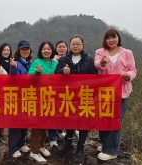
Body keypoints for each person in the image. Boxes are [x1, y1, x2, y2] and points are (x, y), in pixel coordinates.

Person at [94, 28, 137, 161]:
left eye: (114, 37)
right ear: (105, 40)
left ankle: (112, 150)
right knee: (103, 118)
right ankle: (105, 144)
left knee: (116, 120)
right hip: (104, 92)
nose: (111, 40)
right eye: (109, 38)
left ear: (118, 38)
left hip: (121, 91)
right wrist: (101, 64)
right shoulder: (100, 52)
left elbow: (133, 70)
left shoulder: (127, 53)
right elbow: (96, 65)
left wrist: (128, 76)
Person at [55, 35, 98, 164]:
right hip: (69, 95)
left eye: (78, 44)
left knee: (84, 121)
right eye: (73, 44)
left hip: (84, 95)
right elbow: (55, 74)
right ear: (70, 45)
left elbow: (94, 77)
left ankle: (80, 147)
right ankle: (68, 142)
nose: (75, 46)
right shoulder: (64, 59)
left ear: (82, 45)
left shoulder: (89, 59)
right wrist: (63, 71)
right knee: (69, 118)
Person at [27, 41, 58, 164]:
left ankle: (41, 146)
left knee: (45, 124)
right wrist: (37, 73)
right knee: (37, 126)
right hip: (38, 98)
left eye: (49, 49)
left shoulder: (55, 63)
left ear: (52, 50)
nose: (46, 51)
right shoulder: (36, 62)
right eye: (44, 49)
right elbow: (28, 78)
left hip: (51, 98)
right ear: (40, 50)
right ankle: (34, 152)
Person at [7, 40, 32, 158]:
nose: (25, 51)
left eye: (27, 49)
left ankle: (21, 143)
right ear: (18, 51)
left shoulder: (31, 63)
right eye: (22, 49)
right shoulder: (15, 63)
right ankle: (13, 148)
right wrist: (14, 68)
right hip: (17, 97)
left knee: (25, 121)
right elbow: (13, 80)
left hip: (29, 96)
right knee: (16, 122)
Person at [48, 40, 69, 147]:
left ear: (67, 48)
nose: (61, 49)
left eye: (63, 47)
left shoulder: (69, 59)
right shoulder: (52, 60)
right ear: (56, 49)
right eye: (59, 47)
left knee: (62, 112)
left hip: (66, 90)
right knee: (53, 112)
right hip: (53, 89)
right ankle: (53, 137)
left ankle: (60, 131)